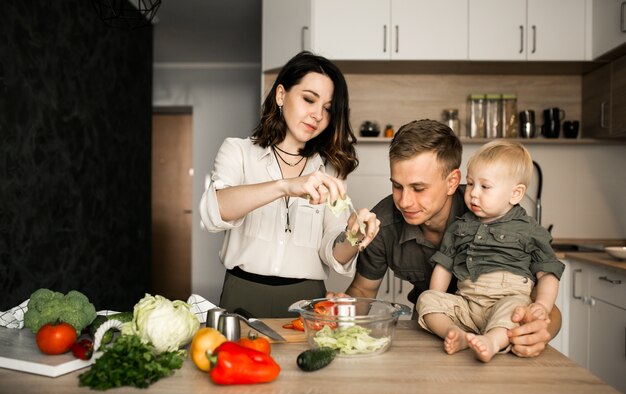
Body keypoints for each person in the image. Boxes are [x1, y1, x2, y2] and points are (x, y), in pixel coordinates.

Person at [335, 119, 562, 358]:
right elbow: (362, 290)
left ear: (452, 181)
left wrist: (541, 330)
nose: (404, 201)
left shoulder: (489, 208)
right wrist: (338, 311)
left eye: (418, 188)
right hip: (435, 335)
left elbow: (539, 301)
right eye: (397, 186)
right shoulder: (383, 222)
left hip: (500, 336)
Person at [199, 51, 380, 318]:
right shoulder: (238, 151)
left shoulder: (331, 168)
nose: (317, 115)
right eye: (309, 99)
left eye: (328, 108)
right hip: (242, 292)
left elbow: (334, 251)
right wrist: (286, 185)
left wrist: (354, 236)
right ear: (281, 95)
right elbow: (216, 212)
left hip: (307, 301)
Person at [416, 140, 564, 362]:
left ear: (515, 194)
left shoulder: (530, 230)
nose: (473, 193)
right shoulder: (459, 226)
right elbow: (444, 266)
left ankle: (492, 341)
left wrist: (542, 305)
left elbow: (548, 273)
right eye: (470, 183)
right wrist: (438, 297)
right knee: (426, 299)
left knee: (517, 309)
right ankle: (455, 334)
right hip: (467, 302)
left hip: (506, 300)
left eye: (485, 187)